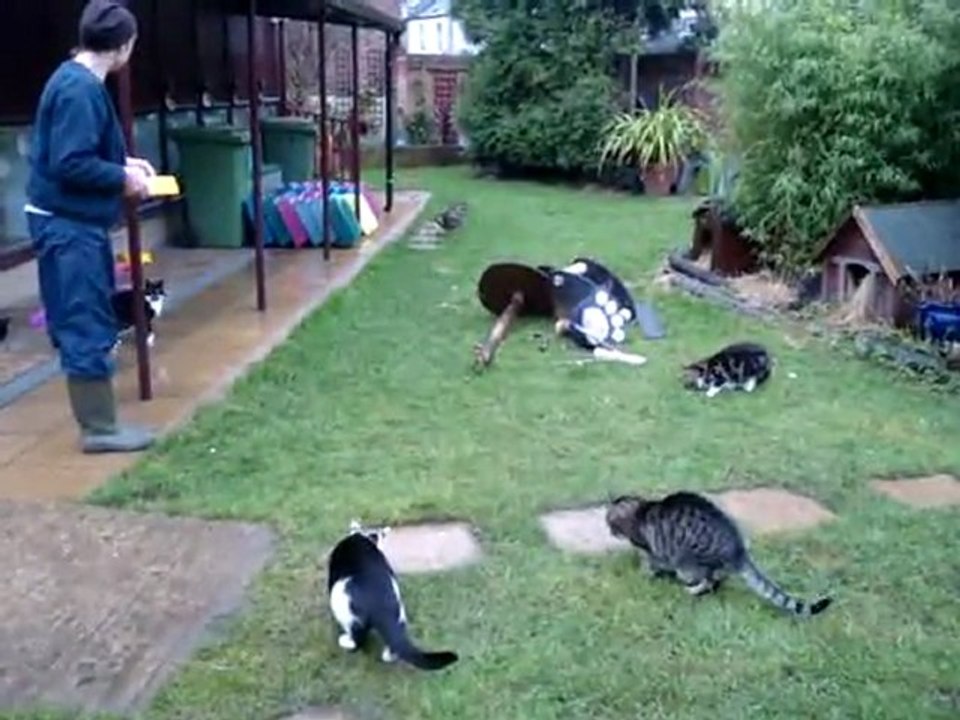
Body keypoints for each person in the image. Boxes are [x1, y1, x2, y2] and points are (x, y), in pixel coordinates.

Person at [26, 0, 157, 454]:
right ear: (123, 46)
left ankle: (101, 424)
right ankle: (100, 430)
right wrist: (124, 179)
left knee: (86, 314)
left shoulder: (76, 80)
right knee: (85, 320)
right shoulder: (80, 90)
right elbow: (71, 163)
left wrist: (123, 163)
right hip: (68, 227)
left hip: (73, 223)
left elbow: (78, 151)